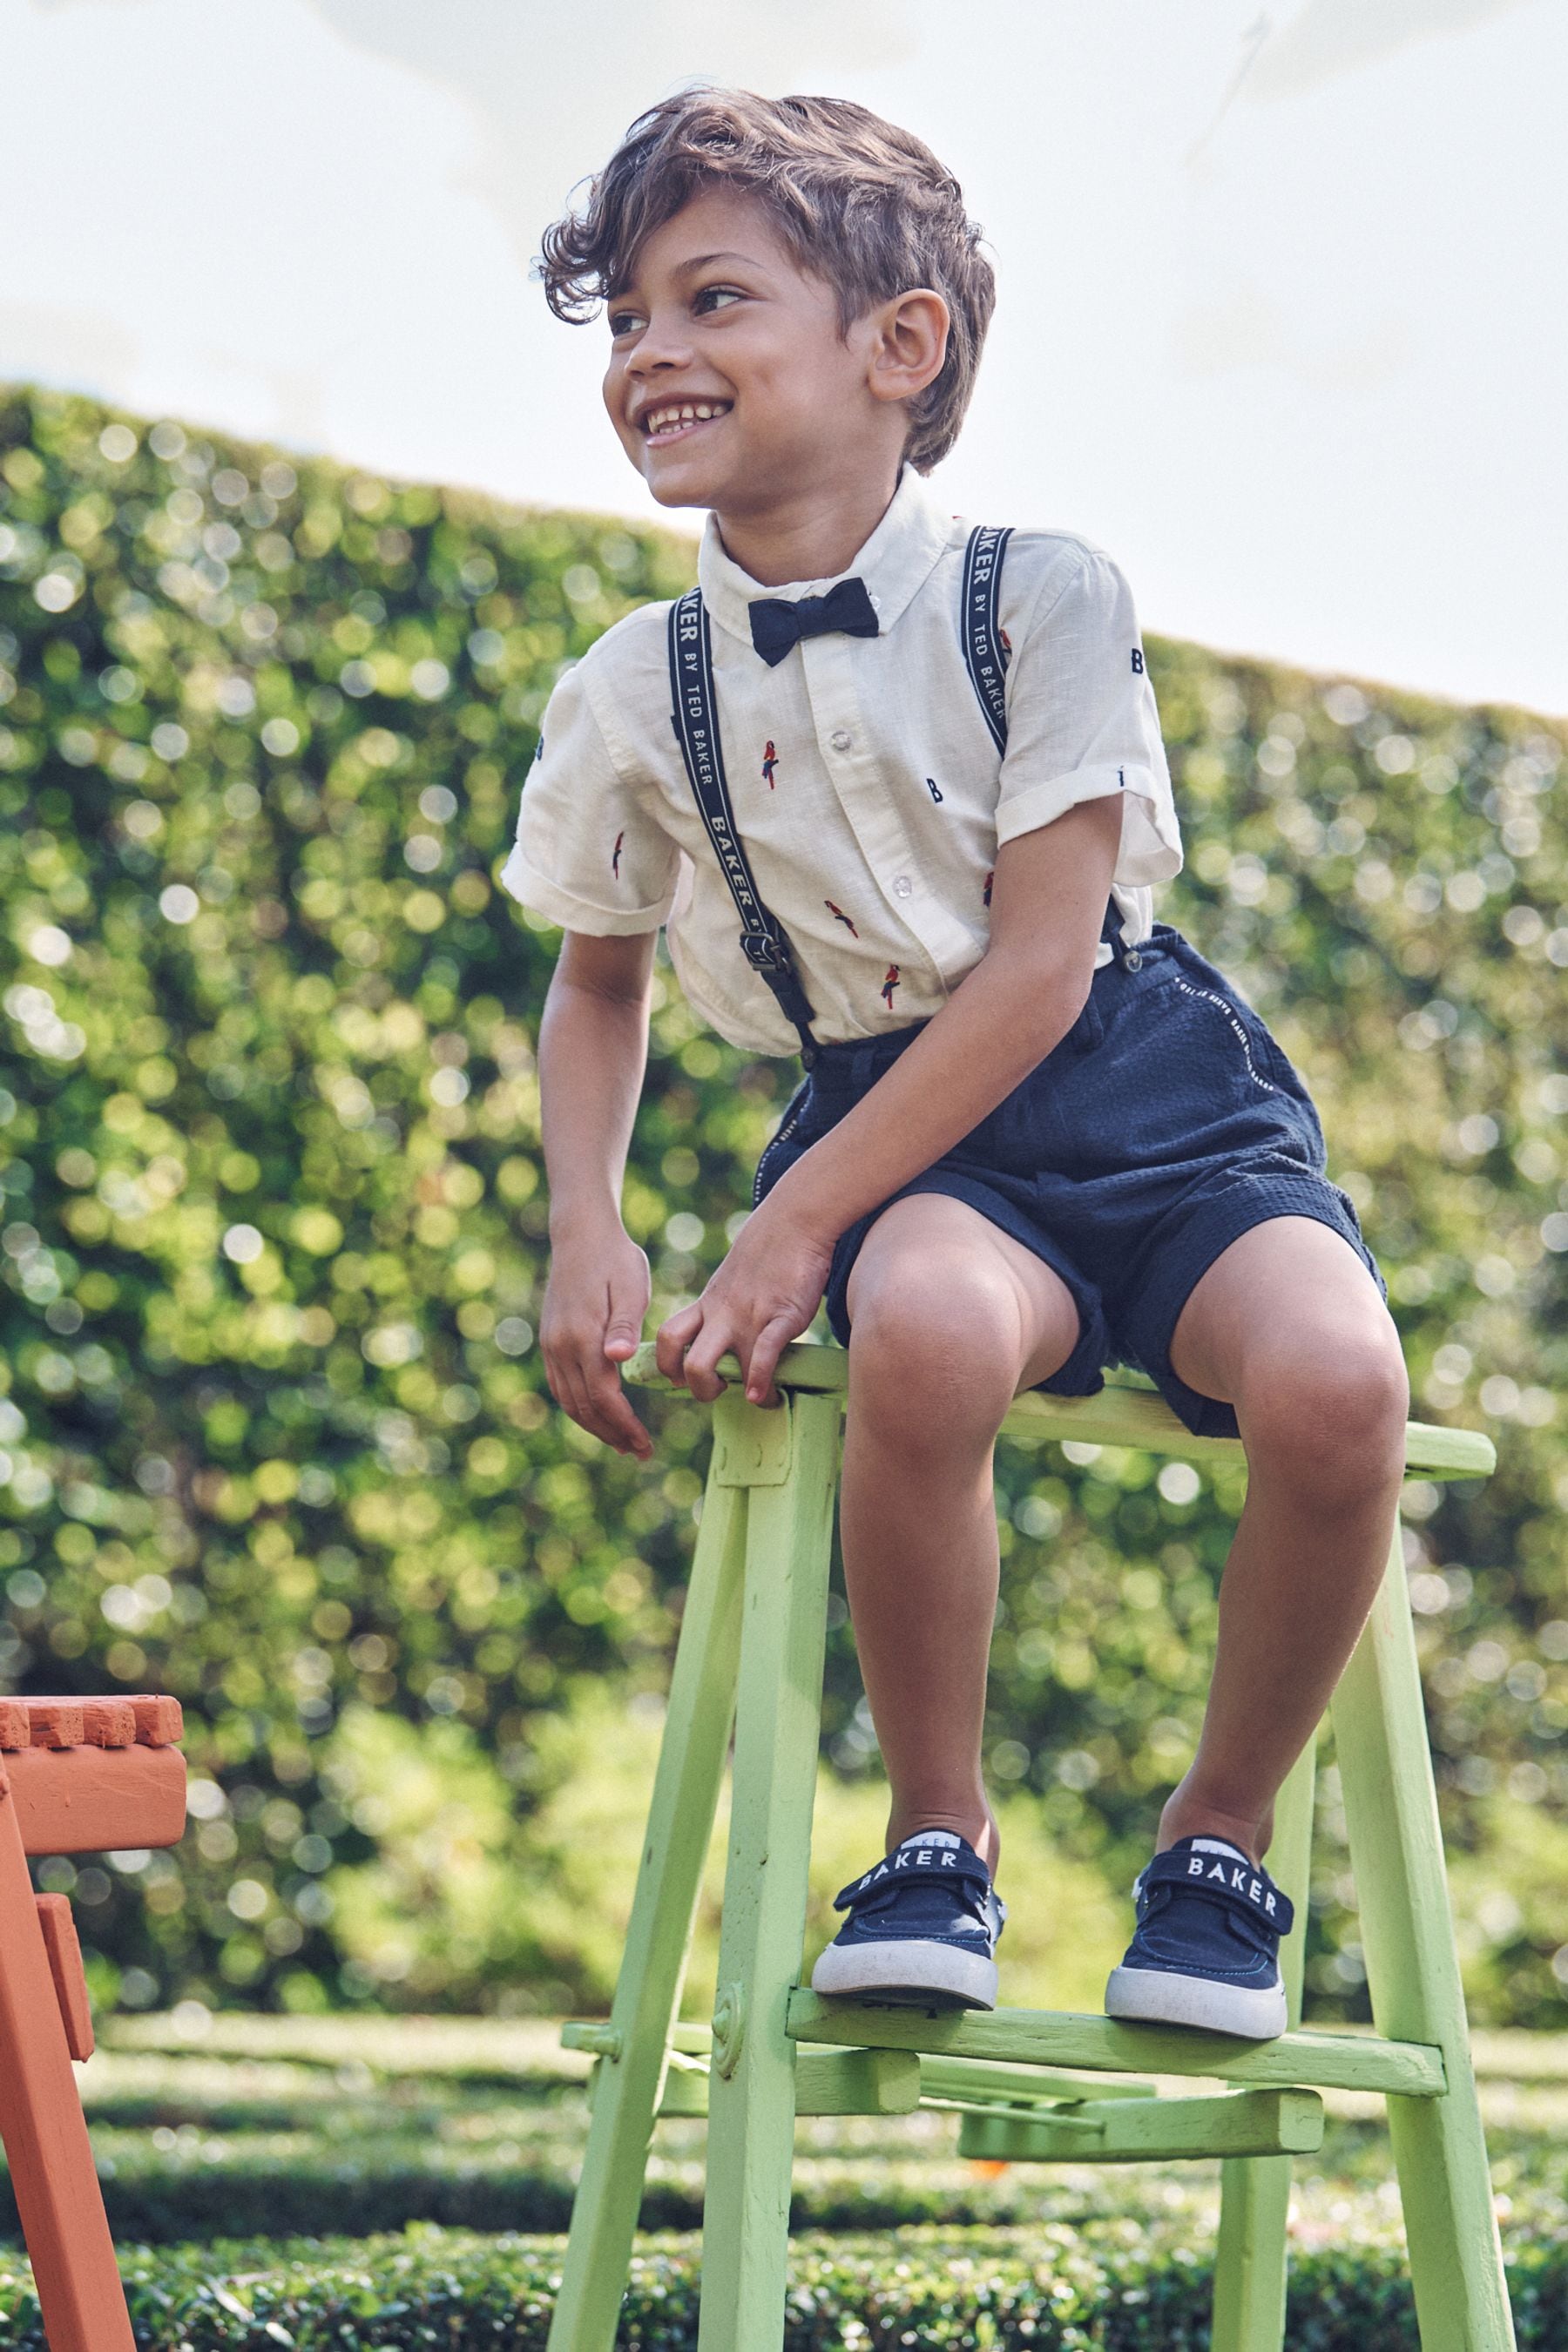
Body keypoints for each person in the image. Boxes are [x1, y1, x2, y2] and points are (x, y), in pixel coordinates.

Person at [507, 85, 1409, 2038]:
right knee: (919, 1333)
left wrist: (786, 1224)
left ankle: (1220, 1846)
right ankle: (938, 1837)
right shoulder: (625, 691)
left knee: (1344, 1383)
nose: (654, 351)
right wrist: (586, 1225)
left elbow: (1038, 976)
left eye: (712, 297)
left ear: (898, 347)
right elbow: (599, 984)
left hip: (1144, 1097)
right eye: (628, 322)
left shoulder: (1047, 593)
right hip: (912, 1147)